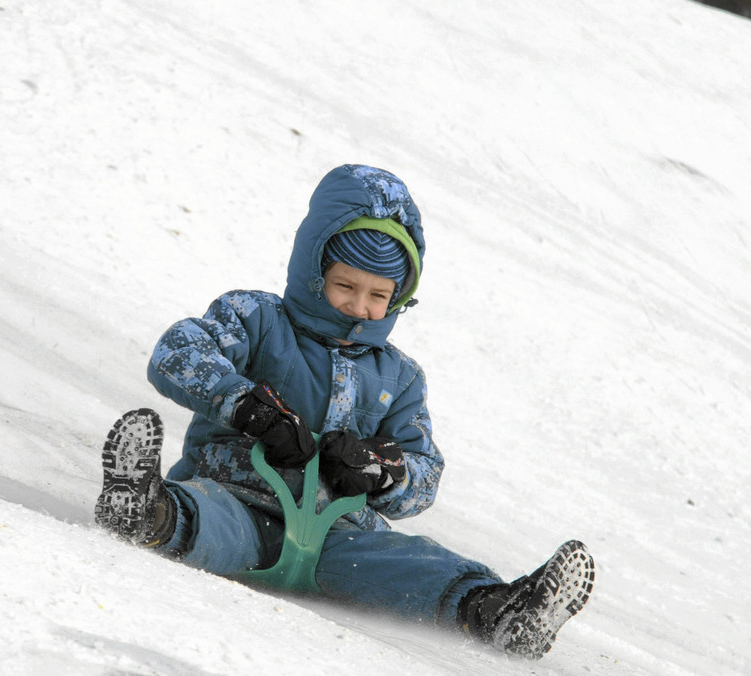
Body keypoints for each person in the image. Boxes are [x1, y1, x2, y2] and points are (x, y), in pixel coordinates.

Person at [94, 164, 594, 659]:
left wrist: (379, 471)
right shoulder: (258, 319)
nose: (360, 306)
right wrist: (249, 408)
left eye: (379, 295)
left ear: (400, 297)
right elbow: (177, 353)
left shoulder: (400, 378)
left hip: (338, 537)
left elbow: (425, 476)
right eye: (345, 286)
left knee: (409, 563)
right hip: (239, 497)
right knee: (211, 520)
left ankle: (501, 612)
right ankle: (146, 510)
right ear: (313, 274)